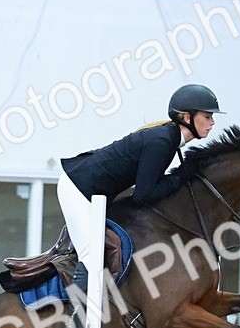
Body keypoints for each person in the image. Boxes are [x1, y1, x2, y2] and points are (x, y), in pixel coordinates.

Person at [58, 84, 223, 276]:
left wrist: (179, 177)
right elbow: (142, 195)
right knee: (92, 259)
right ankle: (77, 297)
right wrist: (179, 176)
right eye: (207, 116)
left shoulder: (168, 139)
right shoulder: (162, 141)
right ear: (187, 117)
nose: (212, 123)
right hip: (77, 188)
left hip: (92, 191)